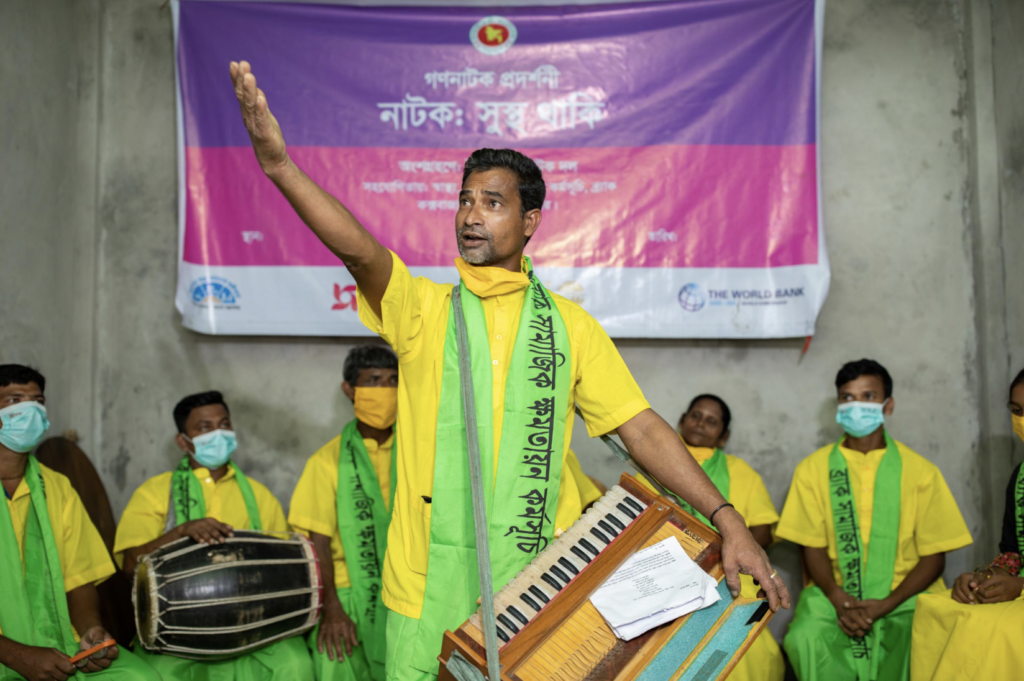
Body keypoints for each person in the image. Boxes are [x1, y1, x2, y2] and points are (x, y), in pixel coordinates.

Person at [228, 59, 789, 681]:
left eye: (492, 202)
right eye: (465, 200)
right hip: (422, 591)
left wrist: (727, 518)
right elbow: (358, 249)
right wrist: (279, 167)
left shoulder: (570, 327)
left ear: (529, 222)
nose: (471, 215)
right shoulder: (423, 309)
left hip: (531, 587)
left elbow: (642, 429)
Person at [777, 359, 972, 681]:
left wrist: (886, 604)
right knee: (805, 637)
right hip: (833, 596)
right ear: (838, 404)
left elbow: (935, 557)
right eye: (847, 397)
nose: (856, 406)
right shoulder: (812, 469)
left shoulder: (921, 471)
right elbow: (811, 546)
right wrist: (839, 599)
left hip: (907, 596)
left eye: (868, 397)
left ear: (888, 405)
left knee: (927, 637)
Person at [112, 391, 312, 680]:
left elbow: (287, 571)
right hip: (178, 636)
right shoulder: (154, 493)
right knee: (154, 674)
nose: (218, 433)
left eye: (224, 424)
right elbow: (130, 566)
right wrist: (181, 532)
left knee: (296, 665)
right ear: (183, 441)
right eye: (205, 427)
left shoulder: (259, 495)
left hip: (255, 628)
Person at [0, 364, 161, 681]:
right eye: (13, 400)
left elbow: (79, 579)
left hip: (59, 646)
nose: (29, 409)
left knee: (141, 678)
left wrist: (90, 631)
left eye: (38, 401)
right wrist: (16, 655)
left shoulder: (56, 486)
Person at [637, 394, 784, 681]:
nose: (701, 424)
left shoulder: (742, 473)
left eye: (712, 421)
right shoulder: (650, 466)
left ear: (724, 435)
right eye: (696, 416)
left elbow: (763, 534)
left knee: (752, 652)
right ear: (680, 420)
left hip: (726, 574)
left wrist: (722, 548)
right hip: (664, 575)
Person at [289, 345, 400, 681]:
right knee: (336, 662)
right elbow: (315, 543)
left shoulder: (418, 451)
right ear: (350, 390)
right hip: (348, 592)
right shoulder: (325, 462)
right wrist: (331, 609)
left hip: (407, 588)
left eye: (394, 380)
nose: (386, 390)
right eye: (374, 381)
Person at [908, 368, 1024, 679]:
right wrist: (982, 578)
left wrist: (1021, 585)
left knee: (993, 633)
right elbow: (1012, 551)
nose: (1022, 420)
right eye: (1017, 411)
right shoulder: (1020, 477)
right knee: (939, 609)